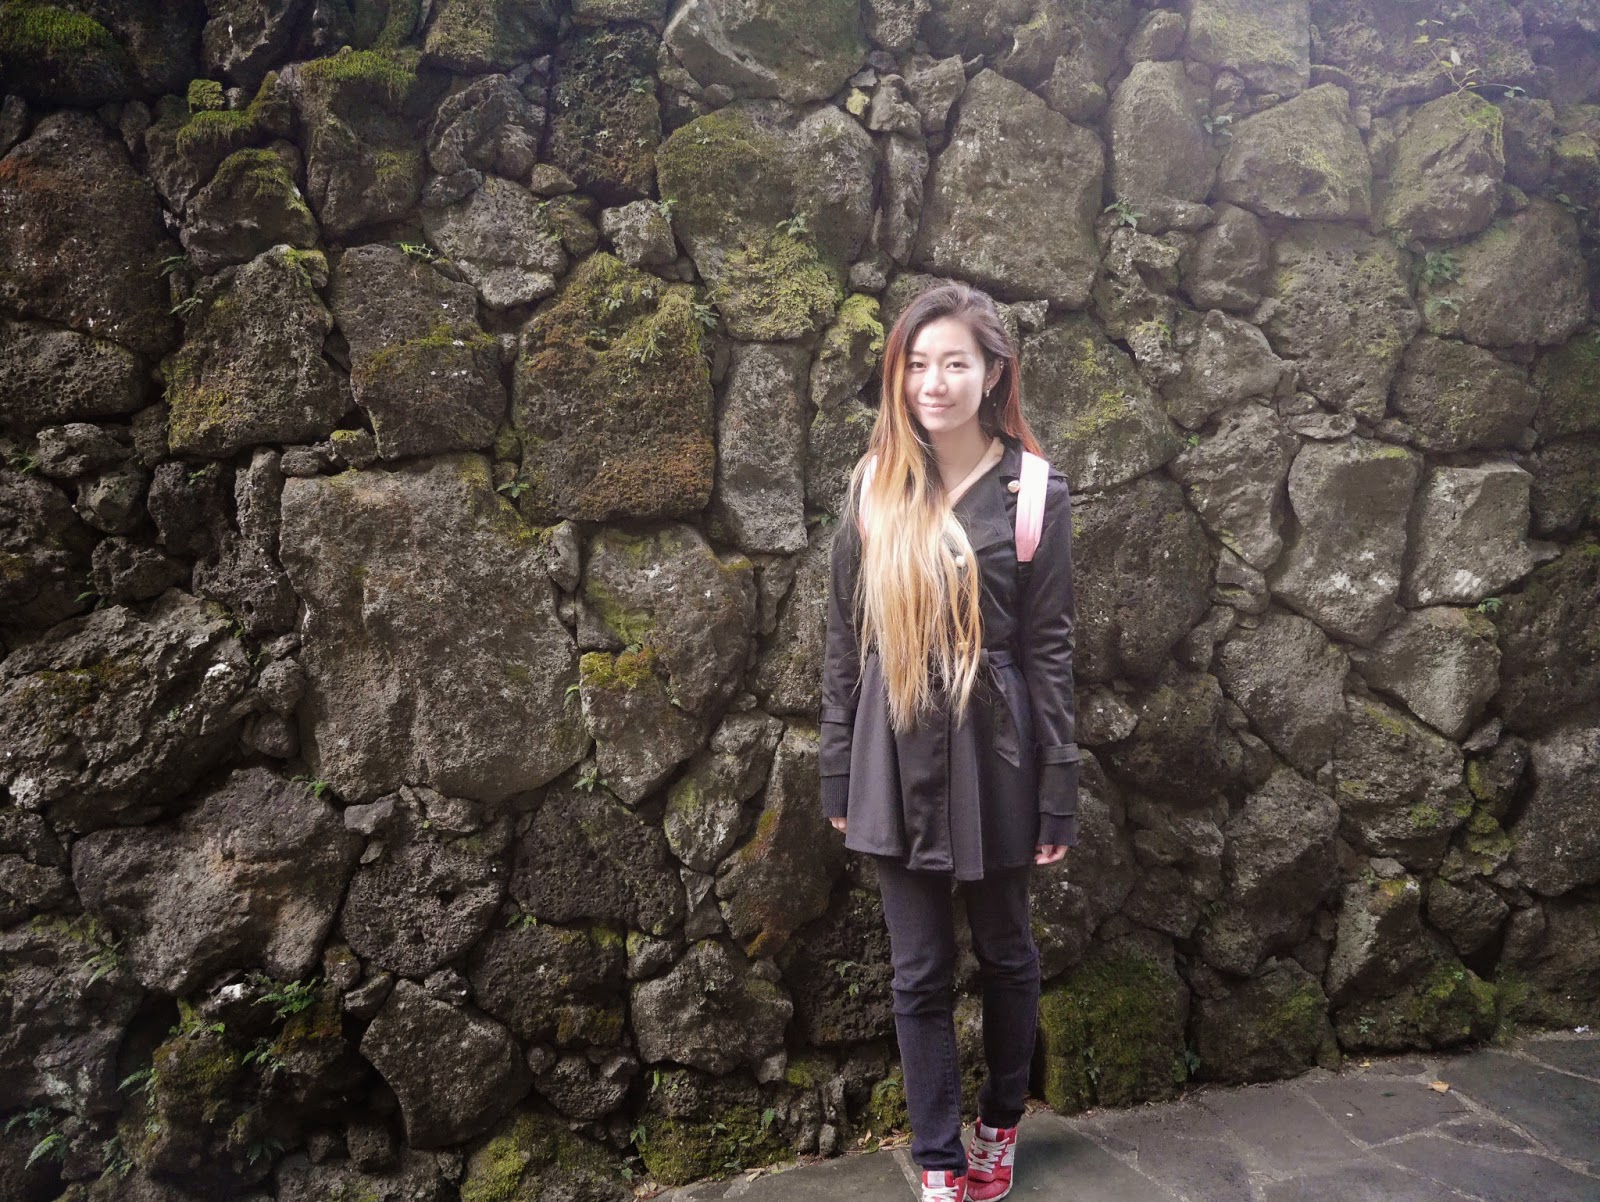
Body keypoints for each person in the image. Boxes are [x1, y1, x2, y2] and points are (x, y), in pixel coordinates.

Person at [820, 281, 1080, 1202]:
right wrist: (839, 771)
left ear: (992, 372)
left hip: (999, 751)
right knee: (918, 970)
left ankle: (999, 1125)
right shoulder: (874, 488)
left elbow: (1049, 650)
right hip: (893, 749)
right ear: (899, 374)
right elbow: (846, 642)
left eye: (955, 363)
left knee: (1006, 952)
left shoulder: (1033, 492)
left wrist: (1058, 785)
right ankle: (937, 1157)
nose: (934, 382)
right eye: (918, 364)